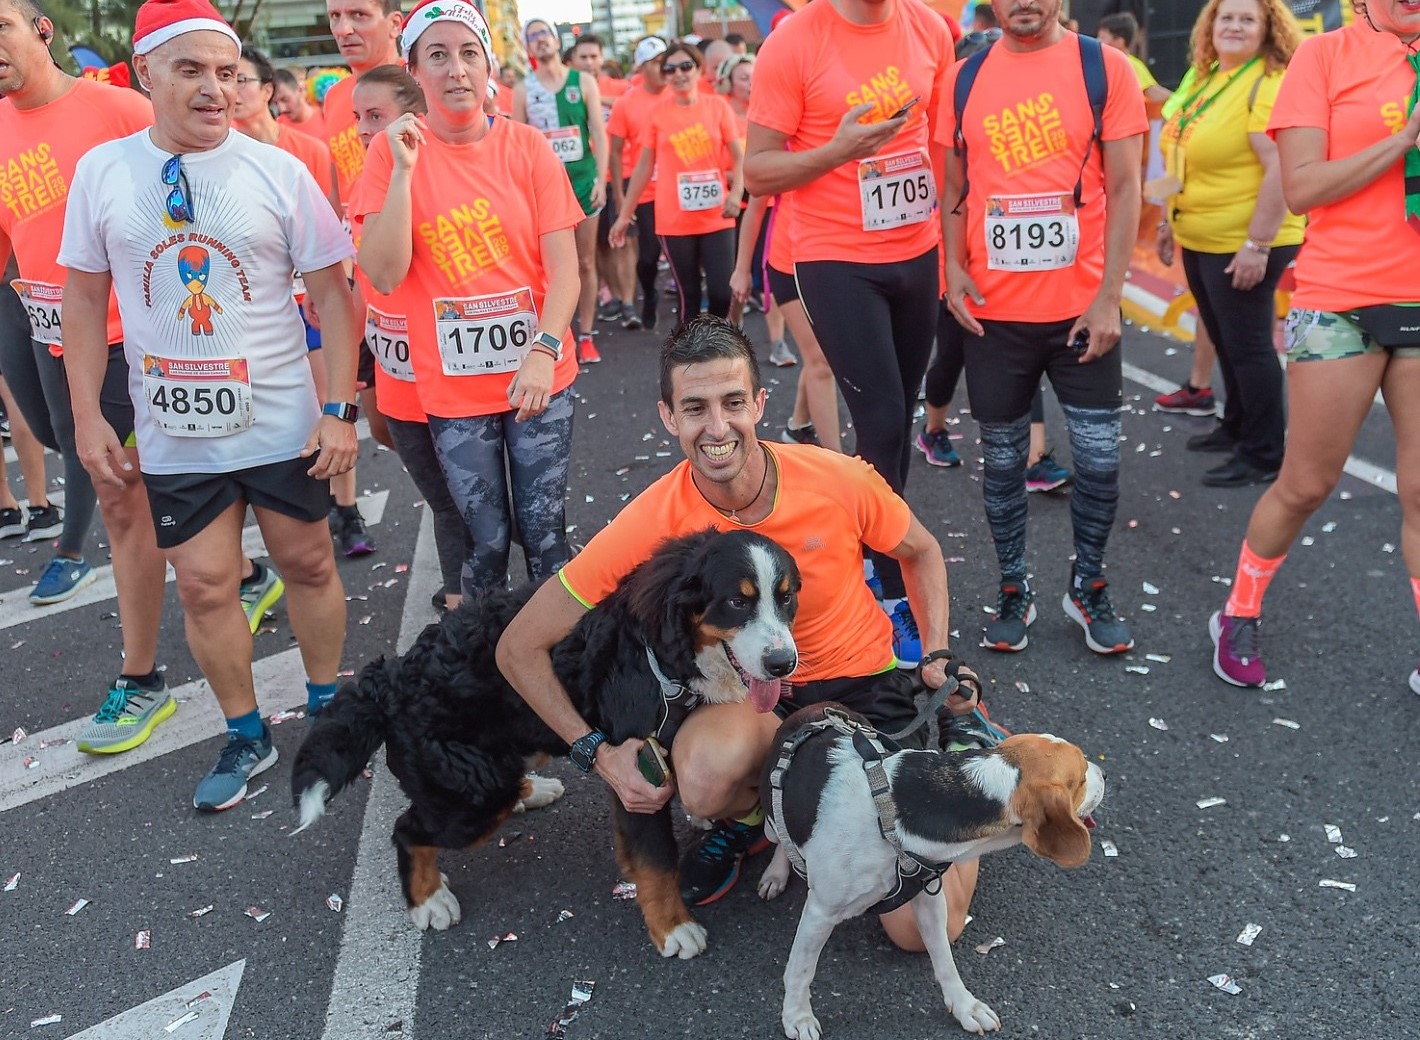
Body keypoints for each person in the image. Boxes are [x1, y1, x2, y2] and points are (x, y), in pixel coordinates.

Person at [497, 315, 1005, 946]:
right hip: (758, 702)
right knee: (704, 776)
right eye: (695, 407)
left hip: (864, 689)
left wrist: (935, 653)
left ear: (760, 402)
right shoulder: (650, 520)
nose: (717, 427)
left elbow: (922, 551)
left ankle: (966, 768)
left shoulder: (837, 479)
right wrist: (594, 753)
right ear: (667, 417)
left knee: (918, 932)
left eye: (733, 402)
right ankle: (764, 819)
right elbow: (517, 647)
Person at [60, 0, 361, 808]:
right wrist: (89, 415)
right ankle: (246, 732)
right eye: (190, 70)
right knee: (203, 584)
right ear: (144, 71)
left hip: (281, 423)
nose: (213, 90)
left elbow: (336, 297)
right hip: (174, 434)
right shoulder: (103, 172)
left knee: (306, 562)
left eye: (226, 73)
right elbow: (83, 303)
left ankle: (330, 708)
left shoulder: (277, 170)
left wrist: (341, 409)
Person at [0, 0, 207, 769]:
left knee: (126, 504)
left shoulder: (119, 108)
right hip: (58, 340)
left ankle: (142, 675)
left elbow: (197, 210)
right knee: (102, 475)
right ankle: (243, 573)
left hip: (143, 341)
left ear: (41, 29)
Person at [1208, 0, 1420, 694]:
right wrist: (1404, 140)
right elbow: (1301, 188)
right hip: (1341, 301)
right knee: (1306, 485)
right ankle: (1238, 612)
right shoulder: (1324, 56)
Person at [746, 0, 955, 666]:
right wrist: (838, 150)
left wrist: (959, 249)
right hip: (836, 256)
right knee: (886, 421)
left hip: (917, 249)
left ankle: (861, 546)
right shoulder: (793, 43)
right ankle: (890, 583)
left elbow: (944, 144)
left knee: (898, 421)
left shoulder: (929, 28)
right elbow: (757, 170)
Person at [353, 0, 581, 599]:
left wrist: (544, 349)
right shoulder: (389, 152)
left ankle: (562, 666)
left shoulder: (529, 148)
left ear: (488, 66)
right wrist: (403, 171)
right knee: (484, 541)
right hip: (454, 387)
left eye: (468, 53)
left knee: (545, 536)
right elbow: (382, 272)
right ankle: (490, 674)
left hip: (538, 375)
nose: (456, 69)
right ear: (415, 72)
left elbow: (565, 272)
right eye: (438, 56)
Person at [942, 0, 1147, 655]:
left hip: (1083, 312)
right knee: (1002, 465)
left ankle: (1088, 584)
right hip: (996, 315)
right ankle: (1013, 587)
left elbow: (1126, 186)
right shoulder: (963, 78)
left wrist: (1111, 297)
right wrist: (951, 268)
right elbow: (952, 184)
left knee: (1099, 462)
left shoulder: (1104, 68)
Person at [1156, 0, 1302, 488]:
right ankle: (1237, 427)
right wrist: (1165, 221)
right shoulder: (1208, 76)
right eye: (1226, 17)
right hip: (1201, 233)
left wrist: (1257, 244)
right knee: (1225, 338)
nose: (1234, 26)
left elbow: (1280, 168)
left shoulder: (1268, 81)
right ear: (1210, 27)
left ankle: (1263, 454)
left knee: (1249, 347)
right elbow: (1179, 150)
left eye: (1247, 19)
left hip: (1244, 239)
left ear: (1268, 30)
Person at [349, 63, 471, 611]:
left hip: (461, 378)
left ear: (416, 116)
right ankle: (465, 602)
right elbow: (370, 279)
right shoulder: (369, 181)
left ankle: (462, 600)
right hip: (399, 380)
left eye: (375, 116)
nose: (360, 130)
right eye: (358, 118)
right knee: (447, 503)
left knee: (478, 506)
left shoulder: (455, 175)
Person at [610, 41, 743, 321]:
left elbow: (739, 157)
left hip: (716, 214)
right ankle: (687, 358)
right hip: (675, 219)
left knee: (721, 292)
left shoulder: (717, 106)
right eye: (670, 69)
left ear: (698, 69)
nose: (678, 74)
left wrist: (736, 193)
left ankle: (713, 340)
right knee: (689, 295)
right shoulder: (657, 113)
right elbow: (643, 168)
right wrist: (624, 216)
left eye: (686, 66)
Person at [515, 18, 608, 365]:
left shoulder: (582, 81)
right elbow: (518, 144)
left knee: (585, 261)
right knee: (547, 267)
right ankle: (556, 333)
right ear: (529, 47)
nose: (540, 40)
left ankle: (587, 335)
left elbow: (599, 132)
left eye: (544, 34)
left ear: (556, 40)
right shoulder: (525, 89)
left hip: (584, 183)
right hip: (545, 191)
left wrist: (601, 180)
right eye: (533, 36)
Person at [605, 36, 668, 331]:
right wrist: (619, 194)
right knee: (647, 256)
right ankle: (649, 292)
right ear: (642, 67)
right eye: (655, 63)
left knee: (682, 254)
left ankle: (687, 307)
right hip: (641, 188)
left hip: (675, 187)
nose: (663, 68)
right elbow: (615, 152)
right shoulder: (626, 103)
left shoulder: (678, 95)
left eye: (664, 61)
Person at [323, 0, 404, 207]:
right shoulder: (334, 97)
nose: (343, 30)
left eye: (359, 15)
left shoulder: (421, 84)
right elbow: (339, 189)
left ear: (395, 24)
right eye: (335, 17)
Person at [1098, 12, 1172, 106]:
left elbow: (1153, 94)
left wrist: (1179, 99)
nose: (1098, 41)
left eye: (1102, 38)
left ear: (1120, 42)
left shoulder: (1129, 64)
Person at [274, 66, 328, 141]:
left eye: (285, 99)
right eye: (276, 103)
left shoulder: (326, 115)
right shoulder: (276, 128)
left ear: (300, 89)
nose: (282, 109)